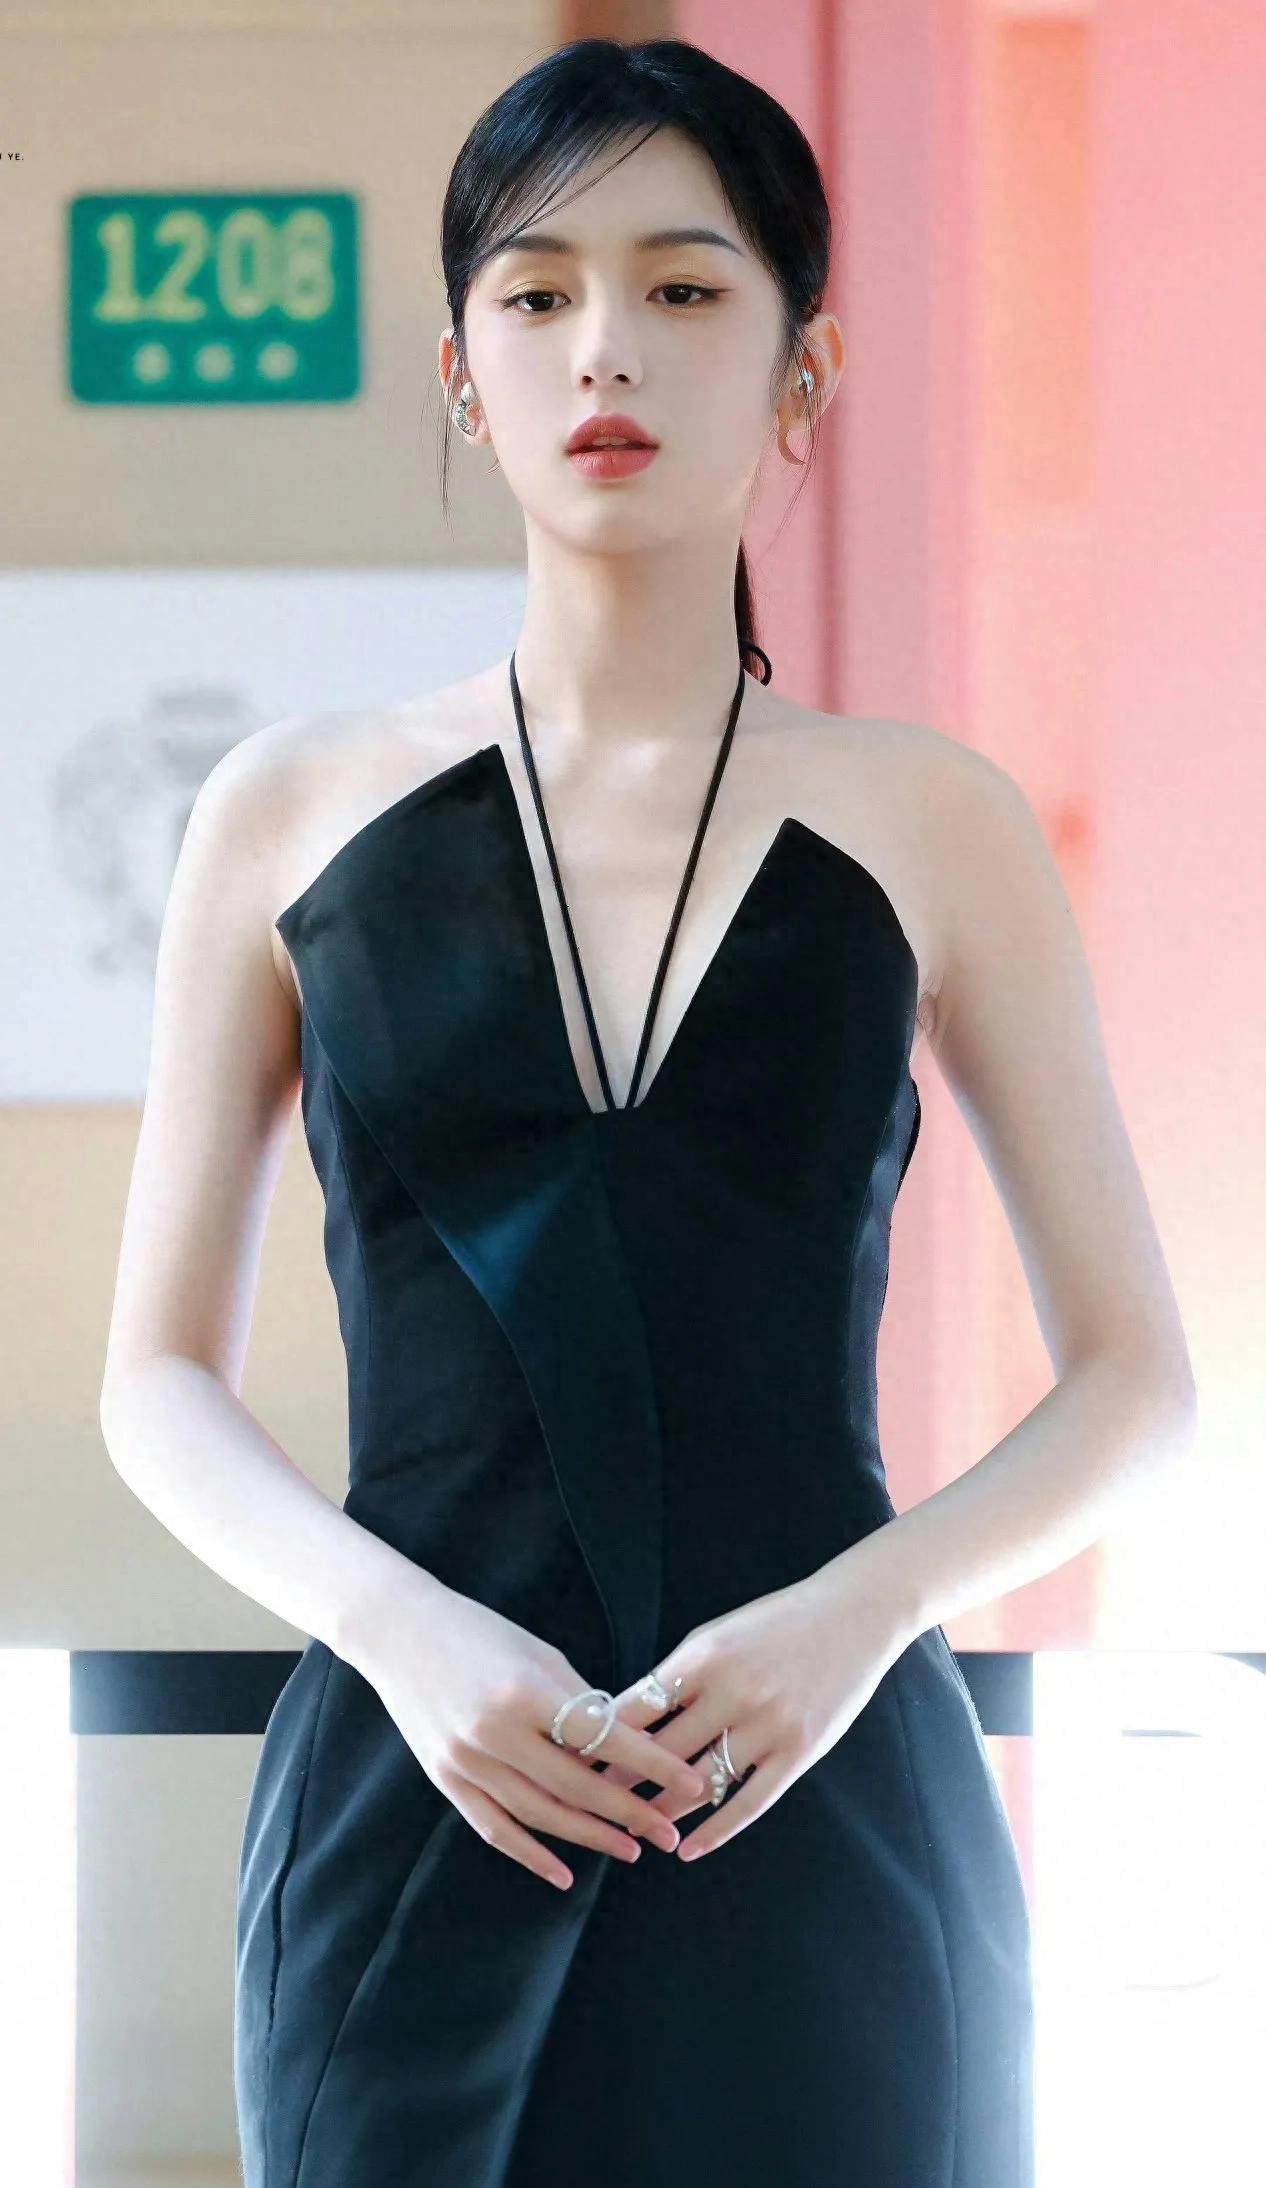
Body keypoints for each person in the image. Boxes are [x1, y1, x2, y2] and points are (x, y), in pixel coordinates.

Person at [100, 35, 1197, 2188]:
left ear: (806, 367)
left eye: (685, 287)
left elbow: (1138, 1385)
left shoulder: (936, 820)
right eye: (537, 293)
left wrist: (856, 1615)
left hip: (824, 1793)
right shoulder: (285, 808)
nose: (604, 343)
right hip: (424, 1781)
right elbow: (153, 1380)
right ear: (461, 373)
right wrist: (402, 1634)